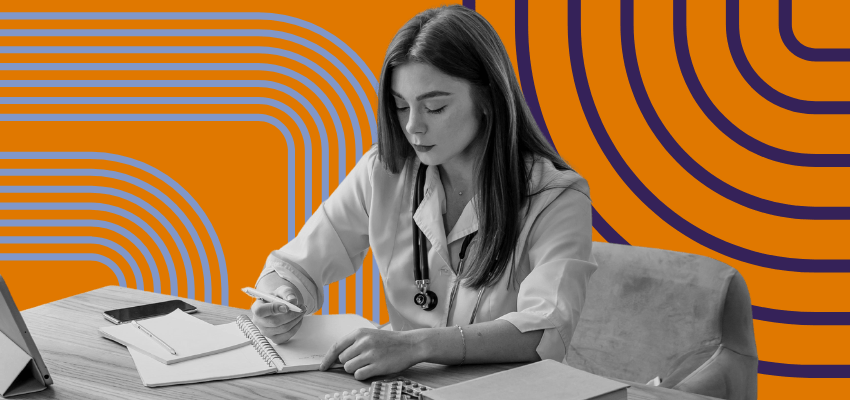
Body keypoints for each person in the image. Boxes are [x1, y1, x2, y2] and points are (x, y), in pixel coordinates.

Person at [250, 4, 596, 380]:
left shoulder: (557, 197)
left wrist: (418, 344)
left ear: (486, 99)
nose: (413, 126)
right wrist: (281, 299)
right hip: (405, 387)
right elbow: (294, 266)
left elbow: (544, 330)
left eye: (435, 107)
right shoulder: (384, 172)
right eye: (401, 106)